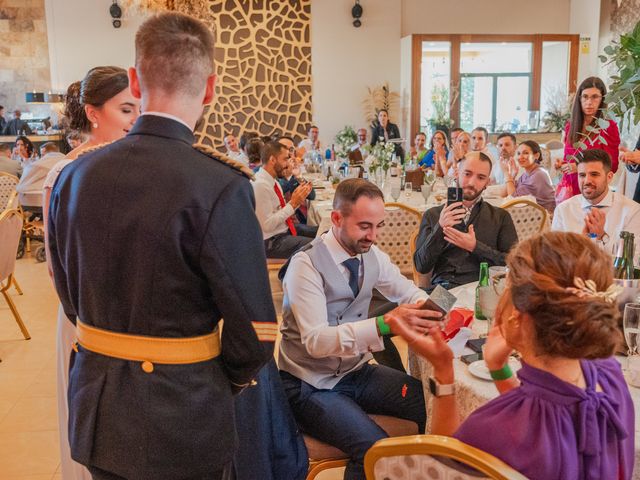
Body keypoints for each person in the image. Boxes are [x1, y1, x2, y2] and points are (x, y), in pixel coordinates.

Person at [48, 12, 276, 480]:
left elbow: (70, 298)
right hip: (185, 412)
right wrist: (221, 380)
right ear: (210, 89)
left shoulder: (73, 176)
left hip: (99, 408)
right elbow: (254, 330)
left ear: (135, 79)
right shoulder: (221, 184)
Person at [393, 232, 634, 480]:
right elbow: (547, 420)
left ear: (517, 316)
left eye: (505, 286)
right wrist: (498, 369)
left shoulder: (493, 428)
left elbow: (441, 469)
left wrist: (443, 370)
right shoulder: (609, 376)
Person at [279, 178, 441, 480]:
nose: (374, 236)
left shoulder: (370, 254)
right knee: (372, 449)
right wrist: (382, 324)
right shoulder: (305, 265)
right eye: (365, 226)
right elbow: (315, 342)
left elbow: (406, 290)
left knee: (430, 403)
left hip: (356, 371)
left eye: (378, 226)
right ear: (336, 218)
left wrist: (431, 309)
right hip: (310, 383)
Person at [43, 66, 140, 480]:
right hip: (87, 314)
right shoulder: (64, 172)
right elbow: (56, 264)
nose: (135, 119)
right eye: (125, 109)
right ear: (93, 113)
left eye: (138, 108)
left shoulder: (133, 165)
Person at [414, 151, 518, 289]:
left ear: (487, 182)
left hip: (486, 287)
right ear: (457, 173)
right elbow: (421, 266)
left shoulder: (500, 217)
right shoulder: (433, 215)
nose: (471, 182)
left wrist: (475, 247)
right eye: (467, 174)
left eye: (480, 177)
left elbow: (514, 263)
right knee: (431, 310)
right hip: (444, 288)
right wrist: (440, 227)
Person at [552, 148, 640, 253]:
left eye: (594, 174)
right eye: (582, 175)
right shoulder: (564, 210)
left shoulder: (632, 211)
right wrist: (580, 245)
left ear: (609, 177)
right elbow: (555, 256)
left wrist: (602, 236)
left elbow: (632, 259)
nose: (587, 181)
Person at [557, 77, 620, 203]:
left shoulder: (608, 126)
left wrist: (580, 167)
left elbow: (612, 165)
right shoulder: (570, 125)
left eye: (595, 97)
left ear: (602, 99)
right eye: (585, 97)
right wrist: (562, 165)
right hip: (571, 188)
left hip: (594, 190)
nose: (589, 102)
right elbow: (568, 158)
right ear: (579, 99)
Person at [253, 141, 315, 258]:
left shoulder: (272, 180)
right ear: (272, 160)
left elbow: (281, 211)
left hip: (283, 229)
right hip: (271, 242)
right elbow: (267, 225)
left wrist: (296, 201)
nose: (288, 164)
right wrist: (293, 203)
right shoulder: (260, 185)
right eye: (285, 159)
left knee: (323, 232)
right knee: (319, 246)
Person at [501, 140, 556, 213]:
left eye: (525, 153)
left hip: (545, 218)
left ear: (536, 155)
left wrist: (506, 173)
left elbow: (513, 200)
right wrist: (512, 175)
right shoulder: (526, 174)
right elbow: (504, 195)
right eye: (518, 153)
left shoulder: (539, 174)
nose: (520, 157)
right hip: (530, 215)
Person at [278, 135, 317, 226]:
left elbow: (312, 195)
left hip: (296, 221)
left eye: (291, 150)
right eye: (284, 149)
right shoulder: (272, 170)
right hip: (281, 226)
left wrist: (299, 176)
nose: (288, 153)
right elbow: (279, 191)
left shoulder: (292, 171)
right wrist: (288, 176)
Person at [16, 142, 64, 212]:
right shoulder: (67, 161)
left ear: (44, 152)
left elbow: (21, 187)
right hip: (61, 203)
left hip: (34, 203)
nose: (41, 158)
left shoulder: (37, 165)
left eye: (42, 155)